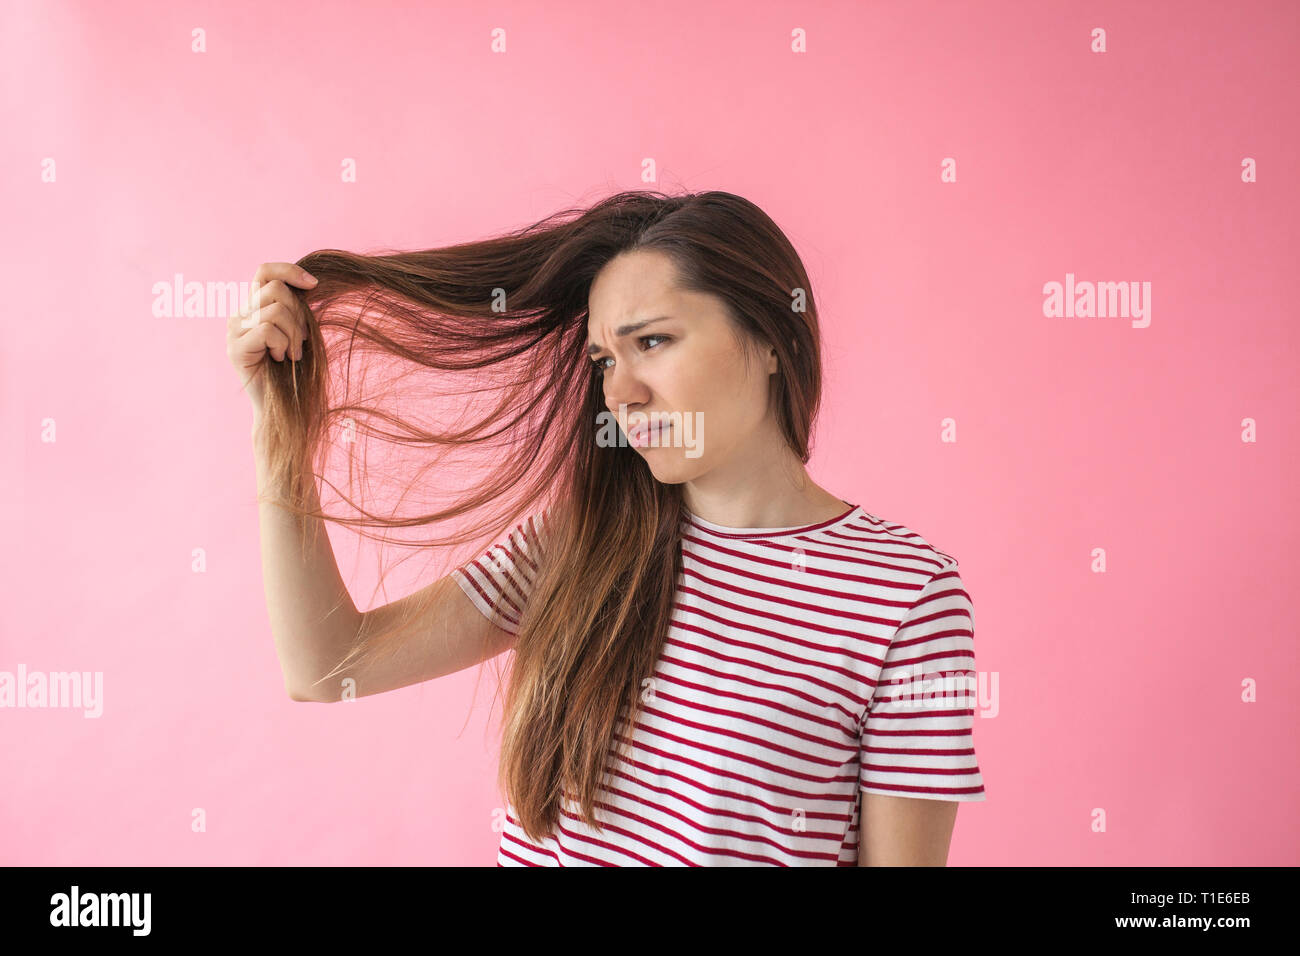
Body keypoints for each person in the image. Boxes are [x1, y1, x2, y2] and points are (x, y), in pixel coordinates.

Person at [226, 189, 986, 866]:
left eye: (652, 342)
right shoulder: (579, 544)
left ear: (768, 339)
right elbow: (327, 665)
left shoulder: (907, 597)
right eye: (602, 359)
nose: (619, 391)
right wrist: (278, 430)